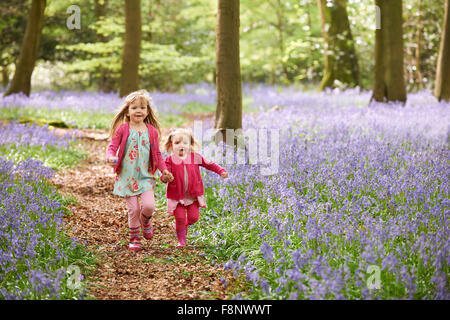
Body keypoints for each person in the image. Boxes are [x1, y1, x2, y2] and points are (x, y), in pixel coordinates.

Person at [106, 90, 174, 252]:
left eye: (142, 108)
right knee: (134, 209)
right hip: (127, 177)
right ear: (127, 112)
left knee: (149, 206)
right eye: (134, 108)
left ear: (147, 111)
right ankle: (134, 237)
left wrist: (163, 170)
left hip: (145, 176)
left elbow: (157, 154)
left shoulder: (151, 131)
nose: (138, 111)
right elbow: (113, 146)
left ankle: (145, 221)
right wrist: (110, 156)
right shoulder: (123, 129)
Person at [161, 128, 228, 248]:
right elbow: (164, 175)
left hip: (193, 196)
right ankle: (181, 240)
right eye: (177, 143)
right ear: (171, 145)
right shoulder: (169, 160)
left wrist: (221, 171)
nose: (181, 146)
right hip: (177, 196)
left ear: (190, 144)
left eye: (185, 143)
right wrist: (166, 178)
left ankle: (184, 226)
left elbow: (210, 164)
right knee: (180, 218)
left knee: (193, 218)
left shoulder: (195, 157)